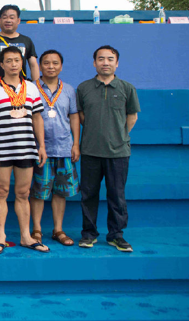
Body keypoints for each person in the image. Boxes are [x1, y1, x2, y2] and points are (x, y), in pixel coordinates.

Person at [0, 46, 48, 254]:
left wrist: (41, 146)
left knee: (23, 193)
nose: (13, 64)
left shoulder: (32, 88)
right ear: (1, 64)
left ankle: (26, 236)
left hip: (26, 148)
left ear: (22, 63)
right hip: (1, 148)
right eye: (8, 61)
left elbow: (37, 118)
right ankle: (1, 236)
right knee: (1, 191)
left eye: (17, 60)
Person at [77, 45, 140, 252]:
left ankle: (116, 235)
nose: (105, 62)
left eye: (110, 59)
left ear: (117, 63)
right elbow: (82, 117)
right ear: (94, 63)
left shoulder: (127, 88)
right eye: (101, 59)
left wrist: (118, 135)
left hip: (118, 153)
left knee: (117, 195)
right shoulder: (83, 88)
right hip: (90, 151)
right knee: (88, 195)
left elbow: (132, 117)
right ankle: (89, 234)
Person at [29, 50, 80, 247]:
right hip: (39, 149)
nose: (51, 67)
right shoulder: (31, 88)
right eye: (47, 63)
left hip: (64, 148)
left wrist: (75, 143)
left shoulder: (69, 90)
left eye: (55, 63)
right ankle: (36, 229)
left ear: (61, 66)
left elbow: (74, 116)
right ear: (40, 66)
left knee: (60, 191)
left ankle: (58, 230)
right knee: (39, 191)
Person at [0, 5, 39, 91]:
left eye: (12, 17)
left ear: (18, 20)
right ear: (0, 20)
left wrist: (36, 89)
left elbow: (33, 65)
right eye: (4, 17)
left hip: (21, 89)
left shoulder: (26, 40)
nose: (8, 20)